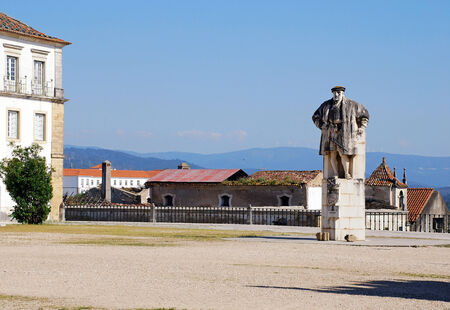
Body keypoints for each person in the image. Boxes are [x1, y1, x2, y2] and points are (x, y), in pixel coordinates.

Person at [312, 86, 369, 179]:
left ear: (343, 93)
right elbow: (315, 116)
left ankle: (346, 173)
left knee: (343, 153)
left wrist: (362, 127)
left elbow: (364, 116)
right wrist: (322, 126)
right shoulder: (326, 105)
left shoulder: (352, 105)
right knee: (332, 153)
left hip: (345, 133)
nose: (336, 95)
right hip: (330, 132)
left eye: (338, 93)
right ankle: (334, 173)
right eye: (334, 93)